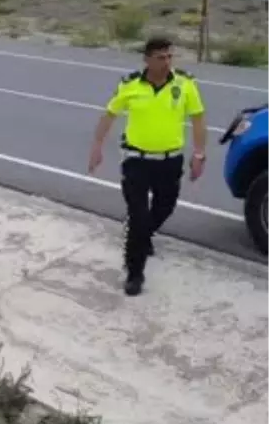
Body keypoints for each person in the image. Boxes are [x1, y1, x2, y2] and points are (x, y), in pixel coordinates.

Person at [88, 36, 206, 297]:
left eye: (169, 57)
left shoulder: (184, 84)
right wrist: (97, 146)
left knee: (165, 207)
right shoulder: (130, 85)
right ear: (147, 60)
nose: (166, 62)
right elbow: (109, 115)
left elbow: (197, 118)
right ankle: (134, 273)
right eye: (160, 58)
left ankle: (141, 234)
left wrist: (199, 154)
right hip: (136, 161)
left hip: (170, 160)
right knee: (139, 216)